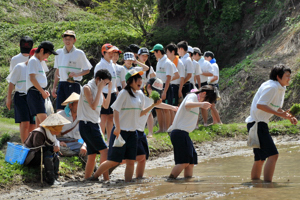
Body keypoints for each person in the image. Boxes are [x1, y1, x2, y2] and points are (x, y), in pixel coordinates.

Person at [90, 69, 161, 182]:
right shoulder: (124, 93)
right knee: (114, 160)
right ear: (130, 81)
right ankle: (94, 176)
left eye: (140, 79)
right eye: (137, 79)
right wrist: (117, 127)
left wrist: (153, 105)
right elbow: (116, 111)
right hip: (121, 132)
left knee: (130, 161)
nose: (140, 81)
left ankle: (127, 183)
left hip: (133, 133)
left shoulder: (141, 95)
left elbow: (141, 113)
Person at [246, 64, 297, 182]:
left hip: (259, 123)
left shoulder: (280, 88)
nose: (289, 78)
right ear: (278, 77)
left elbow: (276, 107)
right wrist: (281, 114)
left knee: (260, 159)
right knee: (273, 155)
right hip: (257, 124)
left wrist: (287, 116)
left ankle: (256, 185)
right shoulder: (272, 87)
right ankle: (268, 186)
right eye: (287, 76)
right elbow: (260, 104)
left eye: (290, 76)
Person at [167, 85, 217, 179]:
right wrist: (201, 104)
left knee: (191, 161)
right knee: (183, 162)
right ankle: (170, 181)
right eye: (207, 100)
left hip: (184, 134)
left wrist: (200, 104)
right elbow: (187, 104)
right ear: (203, 93)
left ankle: (188, 182)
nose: (206, 103)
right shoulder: (192, 96)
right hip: (179, 133)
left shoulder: (196, 100)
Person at [135, 77, 177, 178]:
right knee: (125, 159)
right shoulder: (139, 95)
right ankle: (105, 169)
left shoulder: (151, 95)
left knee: (143, 156)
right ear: (148, 86)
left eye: (159, 92)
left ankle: (139, 179)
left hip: (140, 130)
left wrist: (172, 107)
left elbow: (158, 104)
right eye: (155, 91)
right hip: (133, 129)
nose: (157, 94)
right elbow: (140, 112)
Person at [77, 69, 112, 180]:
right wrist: (100, 88)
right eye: (105, 82)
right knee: (105, 151)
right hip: (87, 124)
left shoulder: (98, 88)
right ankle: (105, 178)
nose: (105, 85)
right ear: (98, 79)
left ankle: (87, 178)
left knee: (92, 155)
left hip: (94, 124)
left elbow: (106, 106)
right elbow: (93, 105)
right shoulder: (87, 88)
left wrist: (109, 90)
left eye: (107, 83)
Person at [24, 113, 71, 185]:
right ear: (52, 127)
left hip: (40, 155)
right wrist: (52, 148)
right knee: (48, 154)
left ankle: (55, 177)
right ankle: (50, 179)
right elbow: (38, 149)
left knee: (55, 155)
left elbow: (52, 145)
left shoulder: (52, 135)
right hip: (31, 157)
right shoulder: (39, 133)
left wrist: (55, 149)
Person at [52, 30, 92, 111]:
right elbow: (57, 71)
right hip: (62, 84)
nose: (67, 41)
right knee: (60, 110)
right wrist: (54, 87)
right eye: (65, 38)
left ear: (74, 40)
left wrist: (77, 74)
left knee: (74, 110)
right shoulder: (58, 52)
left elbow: (87, 70)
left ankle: (74, 124)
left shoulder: (79, 53)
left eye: (70, 39)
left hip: (74, 84)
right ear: (63, 40)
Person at [6, 48, 36, 143]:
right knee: (25, 122)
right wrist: (8, 98)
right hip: (21, 96)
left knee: (32, 124)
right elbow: (11, 83)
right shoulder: (19, 67)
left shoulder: (39, 68)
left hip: (32, 97)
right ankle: (24, 145)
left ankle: (30, 145)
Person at [26, 41, 58, 127]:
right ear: (41, 50)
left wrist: (44, 91)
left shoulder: (39, 62)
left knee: (39, 125)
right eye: (47, 54)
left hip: (39, 92)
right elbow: (32, 79)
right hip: (35, 92)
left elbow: (39, 80)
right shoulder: (33, 61)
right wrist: (42, 91)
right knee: (45, 123)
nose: (47, 56)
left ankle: (37, 140)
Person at [151, 44, 179, 133]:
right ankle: (161, 128)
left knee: (166, 109)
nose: (154, 54)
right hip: (157, 86)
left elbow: (168, 78)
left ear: (158, 52)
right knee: (158, 108)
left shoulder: (167, 62)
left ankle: (167, 129)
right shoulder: (159, 61)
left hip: (165, 87)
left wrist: (165, 91)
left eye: (154, 52)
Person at [94, 43, 117, 143]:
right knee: (103, 117)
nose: (112, 54)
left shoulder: (113, 64)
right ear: (103, 53)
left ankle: (109, 139)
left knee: (111, 116)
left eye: (113, 52)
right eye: (109, 52)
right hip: (103, 92)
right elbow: (97, 82)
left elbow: (115, 80)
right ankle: (101, 139)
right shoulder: (100, 65)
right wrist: (102, 95)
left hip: (112, 92)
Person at [57, 92, 87, 157]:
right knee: (59, 148)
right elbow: (51, 133)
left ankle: (73, 153)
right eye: (78, 104)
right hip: (61, 143)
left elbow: (87, 135)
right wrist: (57, 142)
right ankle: (75, 154)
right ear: (70, 105)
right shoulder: (60, 115)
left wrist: (84, 146)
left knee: (88, 150)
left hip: (75, 143)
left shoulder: (83, 118)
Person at [193, 47, 213, 126]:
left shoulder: (206, 63)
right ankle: (196, 124)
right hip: (195, 84)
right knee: (195, 104)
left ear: (197, 54)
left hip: (204, 84)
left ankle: (205, 122)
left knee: (204, 104)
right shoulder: (193, 62)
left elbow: (211, 73)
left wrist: (201, 73)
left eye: (193, 55)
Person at [204, 51, 222, 125]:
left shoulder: (213, 65)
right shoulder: (212, 64)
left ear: (209, 57)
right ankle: (215, 121)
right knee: (212, 105)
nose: (205, 59)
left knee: (212, 105)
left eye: (205, 58)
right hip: (212, 86)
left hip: (213, 86)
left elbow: (215, 77)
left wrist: (207, 81)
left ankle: (219, 121)